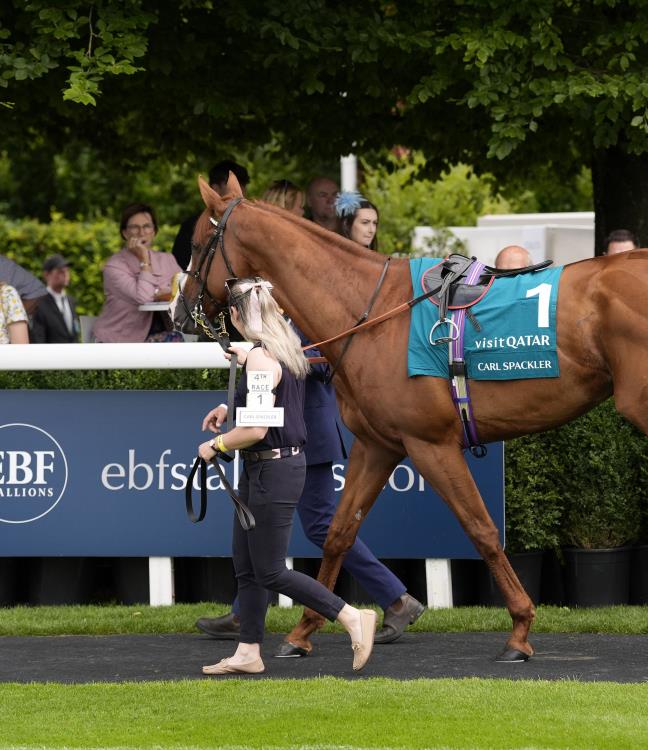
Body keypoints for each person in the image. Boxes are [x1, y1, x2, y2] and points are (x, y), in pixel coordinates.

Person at [196, 185, 425, 653]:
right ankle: (245, 619)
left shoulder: (304, 302)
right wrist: (234, 404)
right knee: (262, 530)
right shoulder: (277, 298)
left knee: (319, 526)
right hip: (288, 433)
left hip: (303, 433)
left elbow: (315, 362)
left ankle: (394, 599)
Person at [197, 278, 376, 675]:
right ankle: (248, 652)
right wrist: (231, 405)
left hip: (272, 470)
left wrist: (217, 445)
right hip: (267, 467)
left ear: (235, 315)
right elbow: (267, 406)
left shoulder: (261, 359)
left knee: (270, 570)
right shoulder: (280, 351)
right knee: (247, 565)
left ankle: (350, 616)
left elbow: (256, 429)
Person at [93, 203, 184, 343]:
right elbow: (145, 298)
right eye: (135, 227)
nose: (141, 232)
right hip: (120, 339)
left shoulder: (167, 259)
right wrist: (144, 259)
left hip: (162, 333)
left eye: (147, 226)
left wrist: (159, 292)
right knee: (175, 341)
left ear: (154, 231)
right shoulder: (114, 266)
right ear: (125, 233)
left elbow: (184, 291)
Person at [172, 160, 250, 271]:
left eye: (243, 186)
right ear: (215, 189)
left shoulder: (249, 225)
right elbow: (179, 268)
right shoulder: (192, 226)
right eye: (234, 186)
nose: (241, 192)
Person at [30, 254, 80, 343]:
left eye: (67, 270)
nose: (65, 274)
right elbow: (38, 340)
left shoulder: (71, 301)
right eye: (60, 271)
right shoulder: (38, 304)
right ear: (46, 275)